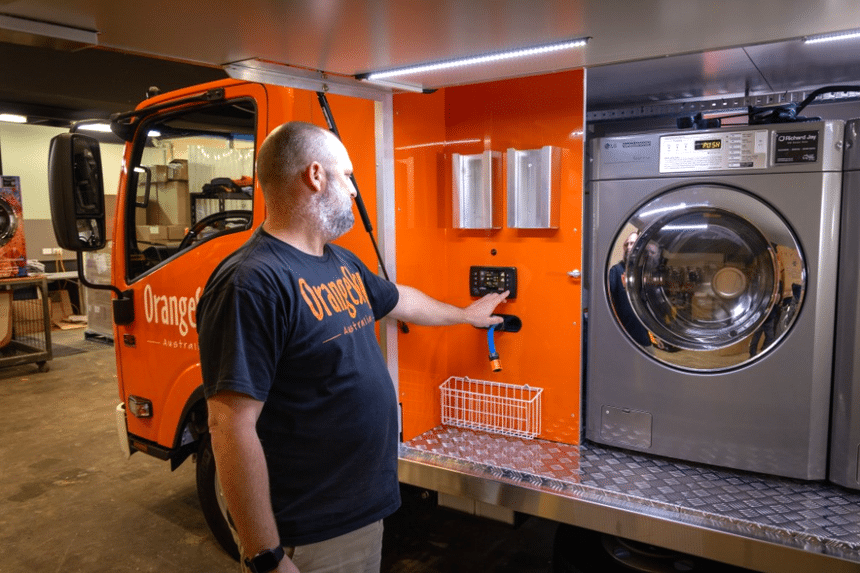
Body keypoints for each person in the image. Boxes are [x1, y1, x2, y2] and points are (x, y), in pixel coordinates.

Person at [196, 121, 507, 573]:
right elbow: (229, 426)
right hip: (309, 531)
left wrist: (464, 314)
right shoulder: (251, 284)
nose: (354, 191)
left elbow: (399, 300)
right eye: (347, 176)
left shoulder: (339, 262)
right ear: (315, 176)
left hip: (358, 513)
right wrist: (266, 555)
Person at [608, 231, 652, 347]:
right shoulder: (616, 271)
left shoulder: (646, 272)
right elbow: (608, 303)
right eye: (626, 244)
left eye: (632, 243)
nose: (628, 247)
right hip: (624, 336)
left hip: (645, 336)